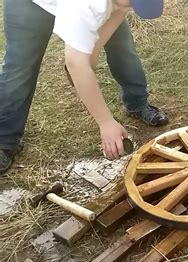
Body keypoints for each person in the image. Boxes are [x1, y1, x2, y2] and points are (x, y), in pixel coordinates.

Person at [0, 0, 169, 175]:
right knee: (20, 65)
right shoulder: (86, 5)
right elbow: (75, 63)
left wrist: (90, 60)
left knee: (122, 47)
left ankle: (137, 103)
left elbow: (120, 11)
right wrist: (106, 122)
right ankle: (4, 139)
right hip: (30, 4)